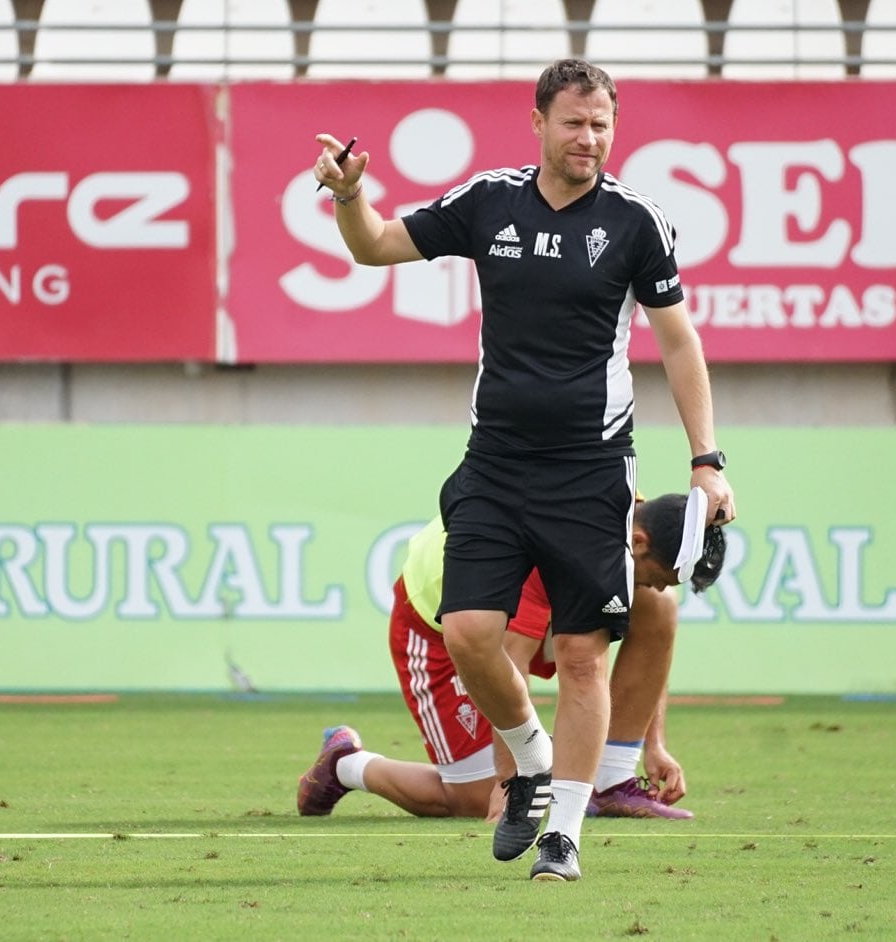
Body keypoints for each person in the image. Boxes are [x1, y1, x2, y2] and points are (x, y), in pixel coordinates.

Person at [311, 57, 736, 882]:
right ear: (538, 122)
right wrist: (350, 195)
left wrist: (706, 459)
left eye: (603, 124)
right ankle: (531, 755)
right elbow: (375, 248)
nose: (590, 139)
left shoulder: (636, 221)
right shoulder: (487, 201)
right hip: (496, 462)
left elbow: (677, 339)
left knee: (582, 654)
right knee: (471, 634)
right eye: (575, 122)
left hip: (590, 470)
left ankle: (564, 836)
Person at [297, 493, 728, 823]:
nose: (654, 584)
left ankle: (612, 778)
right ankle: (345, 764)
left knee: (658, 607)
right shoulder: (557, 544)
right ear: (639, 540)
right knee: (469, 797)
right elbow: (509, 663)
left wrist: (655, 745)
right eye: (660, 574)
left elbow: (652, 623)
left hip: (524, 614)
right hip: (440, 631)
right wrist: (510, 781)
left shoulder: (631, 516)